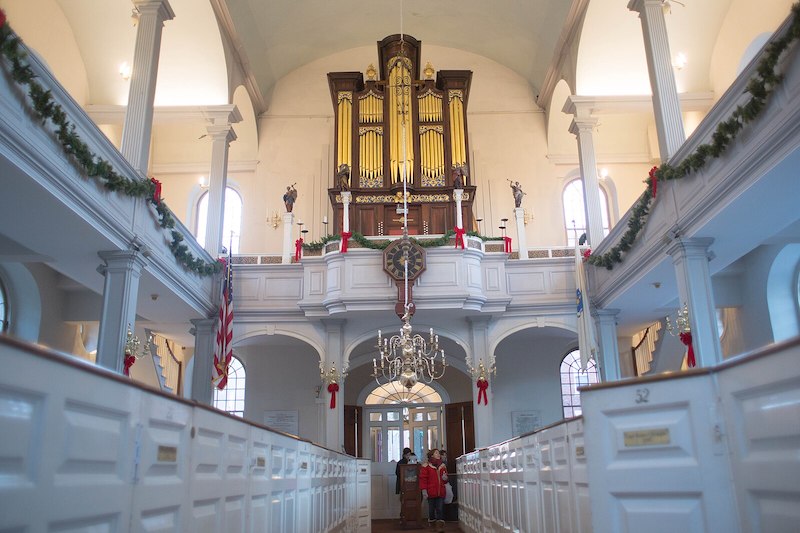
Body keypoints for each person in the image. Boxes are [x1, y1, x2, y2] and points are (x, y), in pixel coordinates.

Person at [419, 448, 448, 532]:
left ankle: (439, 528)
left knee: (439, 509)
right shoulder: (426, 466)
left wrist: (445, 478)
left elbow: (446, 479)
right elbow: (423, 479)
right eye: (436, 453)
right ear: (432, 455)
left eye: (438, 453)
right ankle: (432, 525)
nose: (438, 454)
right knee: (431, 510)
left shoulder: (443, 466)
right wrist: (424, 490)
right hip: (430, 492)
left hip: (440, 491)